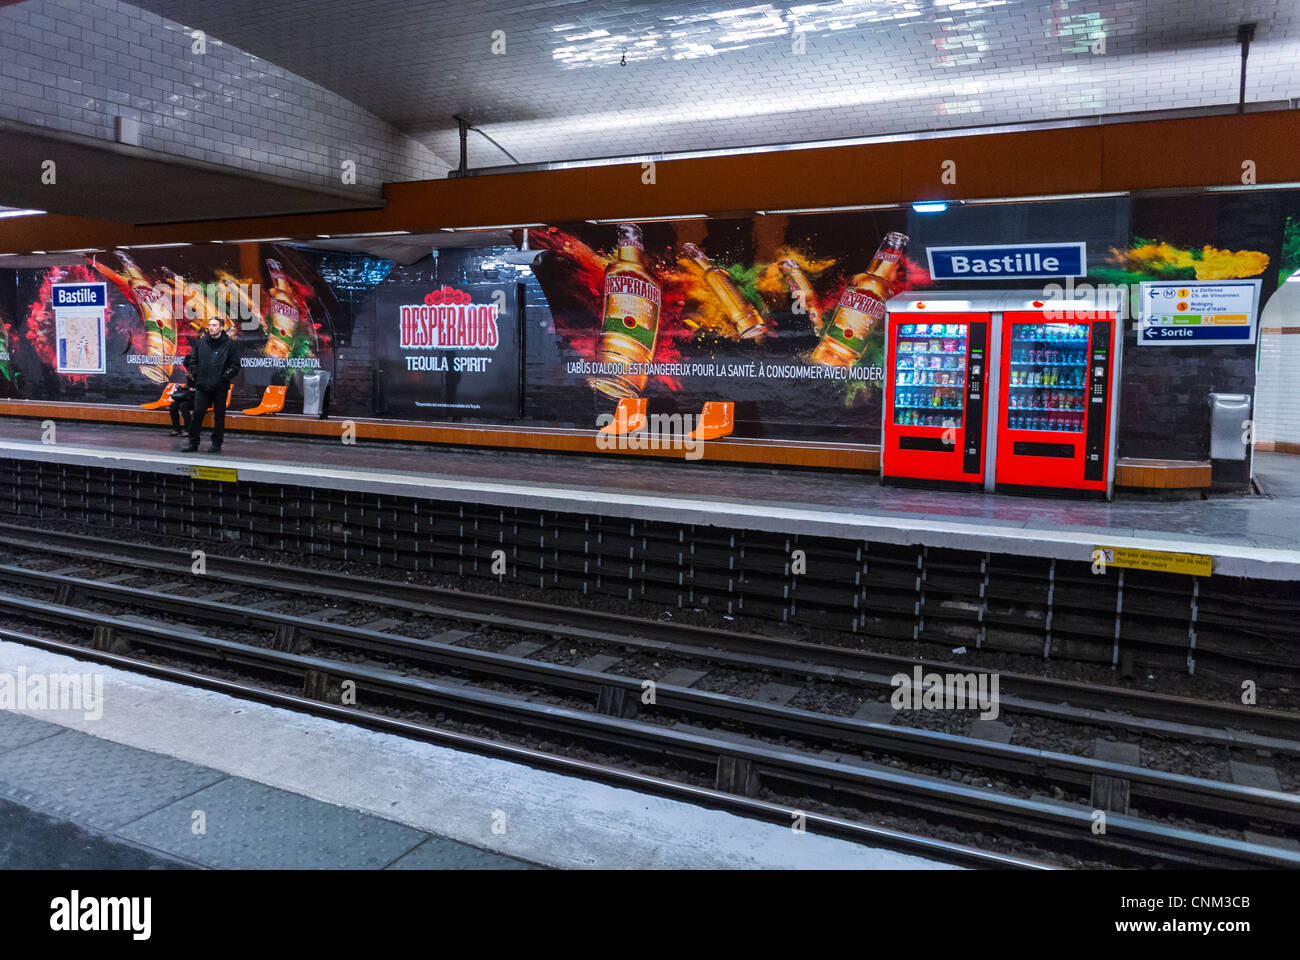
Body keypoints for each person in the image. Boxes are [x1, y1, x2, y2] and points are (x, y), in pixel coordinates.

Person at [185, 317, 239, 453]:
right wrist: (197, 375)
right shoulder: (201, 343)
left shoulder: (229, 345)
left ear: (221, 327)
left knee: (219, 417)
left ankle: (216, 444)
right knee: (197, 414)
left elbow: (235, 365)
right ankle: (193, 443)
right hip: (202, 386)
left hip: (220, 387)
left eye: (214, 325)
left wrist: (224, 377)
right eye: (209, 325)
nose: (211, 327)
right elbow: (193, 361)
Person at [168, 354, 196, 436]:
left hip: (200, 399)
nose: (187, 370)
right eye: (186, 368)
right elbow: (190, 387)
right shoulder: (189, 373)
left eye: (188, 368)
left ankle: (188, 430)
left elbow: (203, 387)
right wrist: (183, 388)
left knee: (183, 406)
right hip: (190, 398)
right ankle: (176, 429)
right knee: (173, 406)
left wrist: (193, 378)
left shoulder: (200, 373)